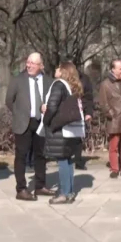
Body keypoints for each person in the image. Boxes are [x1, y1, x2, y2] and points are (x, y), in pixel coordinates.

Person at [6, 52, 55, 201]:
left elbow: (52, 99)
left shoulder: (48, 81)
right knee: (21, 155)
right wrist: (19, 114)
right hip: (23, 123)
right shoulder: (17, 80)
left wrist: (48, 108)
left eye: (33, 63)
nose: (29, 65)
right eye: (28, 62)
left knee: (40, 155)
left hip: (40, 122)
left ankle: (40, 186)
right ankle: (21, 189)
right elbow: (9, 100)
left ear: (41, 65)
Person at [41, 62, 86, 204]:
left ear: (63, 71)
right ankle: (70, 192)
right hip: (70, 129)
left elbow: (52, 106)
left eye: (58, 67)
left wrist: (46, 119)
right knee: (67, 160)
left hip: (59, 129)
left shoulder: (58, 85)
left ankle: (64, 193)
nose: (55, 69)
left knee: (62, 161)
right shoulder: (72, 87)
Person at [74, 66, 94, 170]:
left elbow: (89, 97)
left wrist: (89, 112)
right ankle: (65, 160)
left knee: (78, 137)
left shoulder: (84, 79)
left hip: (80, 110)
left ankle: (78, 160)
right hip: (65, 111)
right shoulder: (62, 79)